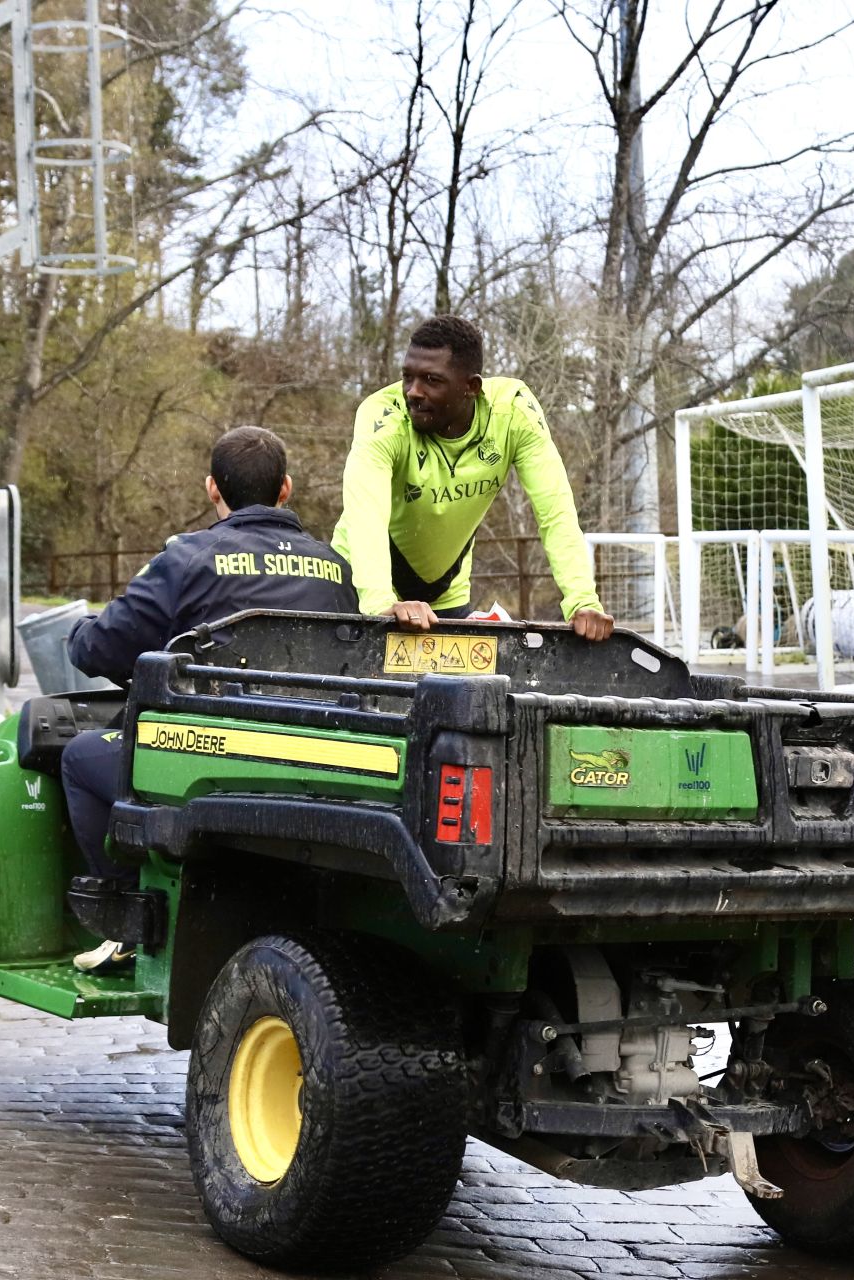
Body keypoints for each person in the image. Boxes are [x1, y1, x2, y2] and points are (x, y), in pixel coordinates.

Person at [60, 425, 356, 970]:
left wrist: (78, 632)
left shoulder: (188, 559)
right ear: (285, 489)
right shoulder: (335, 568)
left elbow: (100, 649)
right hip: (316, 761)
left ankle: (128, 923)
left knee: (80, 756)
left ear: (212, 489)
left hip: (211, 757)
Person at [332, 314, 615, 640]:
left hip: (444, 589)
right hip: (358, 581)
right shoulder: (382, 416)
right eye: (407, 377)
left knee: (446, 692)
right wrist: (381, 603)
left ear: (472, 387)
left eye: (431, 380)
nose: (413, 392)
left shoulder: (513, 413)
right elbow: (366, 514)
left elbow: (555, 511)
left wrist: (582, 601)